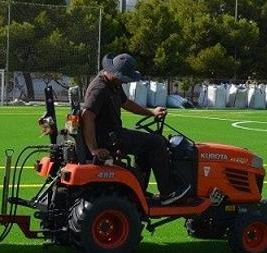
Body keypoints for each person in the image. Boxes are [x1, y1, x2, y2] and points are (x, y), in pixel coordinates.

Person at [81, 53, 190, 206]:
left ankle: (139, 190)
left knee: (145, 145)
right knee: (157, 142)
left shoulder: (113, 84)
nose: (125, 82)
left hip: (112, 134)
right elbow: (87, 116)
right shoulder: (99, 89)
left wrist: (151, 112)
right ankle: (168, 192)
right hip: (109, 138)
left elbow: (126, 103)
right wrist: (94, 149)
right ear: (113, 73)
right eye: (124, 78)